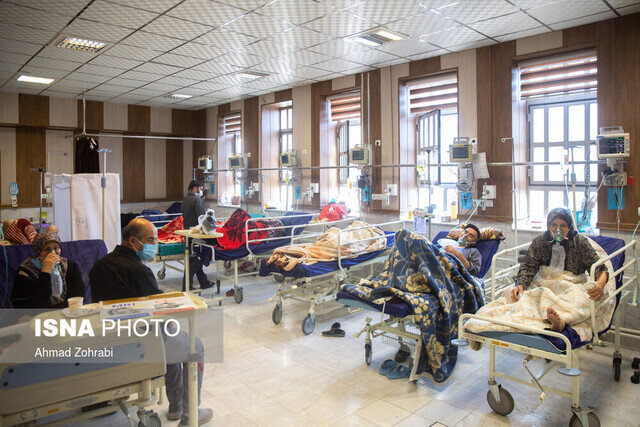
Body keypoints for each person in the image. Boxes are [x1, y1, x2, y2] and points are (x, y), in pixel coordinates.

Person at [89, 218, 212, 425]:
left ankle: (176, 407)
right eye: (151, 240)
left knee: (172, 340)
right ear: (132, 241)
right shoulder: (138, 271)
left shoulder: (100, 266)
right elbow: (156, 310)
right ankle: (190, 413)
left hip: (112, 339)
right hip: (139, 343)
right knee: (194, 345)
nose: (154, 244)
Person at [510, 208, 608, 332]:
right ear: (548, 226)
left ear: (569, 227)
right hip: (544, 284)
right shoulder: (540, 241)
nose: (558, 229)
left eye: (563, 226)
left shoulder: (579, 242)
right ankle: (541, 316)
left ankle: (561, 322)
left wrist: (600, 285)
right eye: (554, 225)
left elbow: (601, 269)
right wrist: (520, 285)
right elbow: (528, 266)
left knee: (583, 300)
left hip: (572, 285)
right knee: (517, 295)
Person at [11, 232, 85, 308]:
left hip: (67, 312)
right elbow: (28, 305)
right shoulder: (25, 272)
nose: (52, 253)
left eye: (56, 248)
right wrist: (45, 271)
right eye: (47, 249)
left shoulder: (70, 266)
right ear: (38, 251)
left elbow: (78, 297)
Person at [182, 180, 213, 291]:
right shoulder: (197, 200)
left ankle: (204, 282)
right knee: (195, 260)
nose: (201, 191)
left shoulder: (185, 200)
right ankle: (186, 286)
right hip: (196, 234)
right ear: (195, 188)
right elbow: (202, 218)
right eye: (200, 189)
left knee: (194, 258)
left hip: (187, 232)